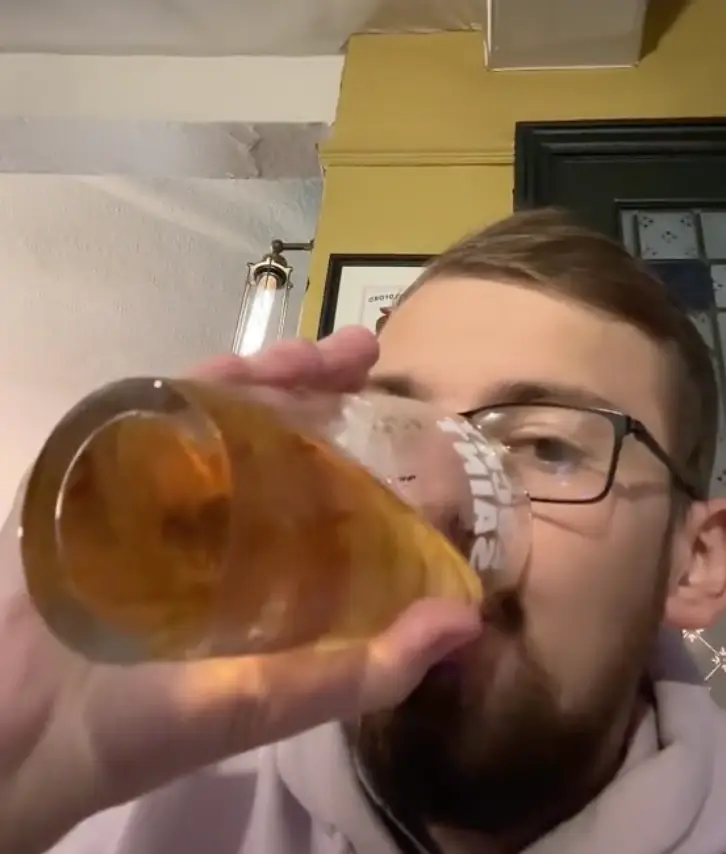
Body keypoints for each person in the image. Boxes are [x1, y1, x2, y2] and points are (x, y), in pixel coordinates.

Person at [2, 208, 726, 854]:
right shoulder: (119, 793)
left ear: (694, 561)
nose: (436, 499)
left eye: (547, 447)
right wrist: (22, 759)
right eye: (402, 432)